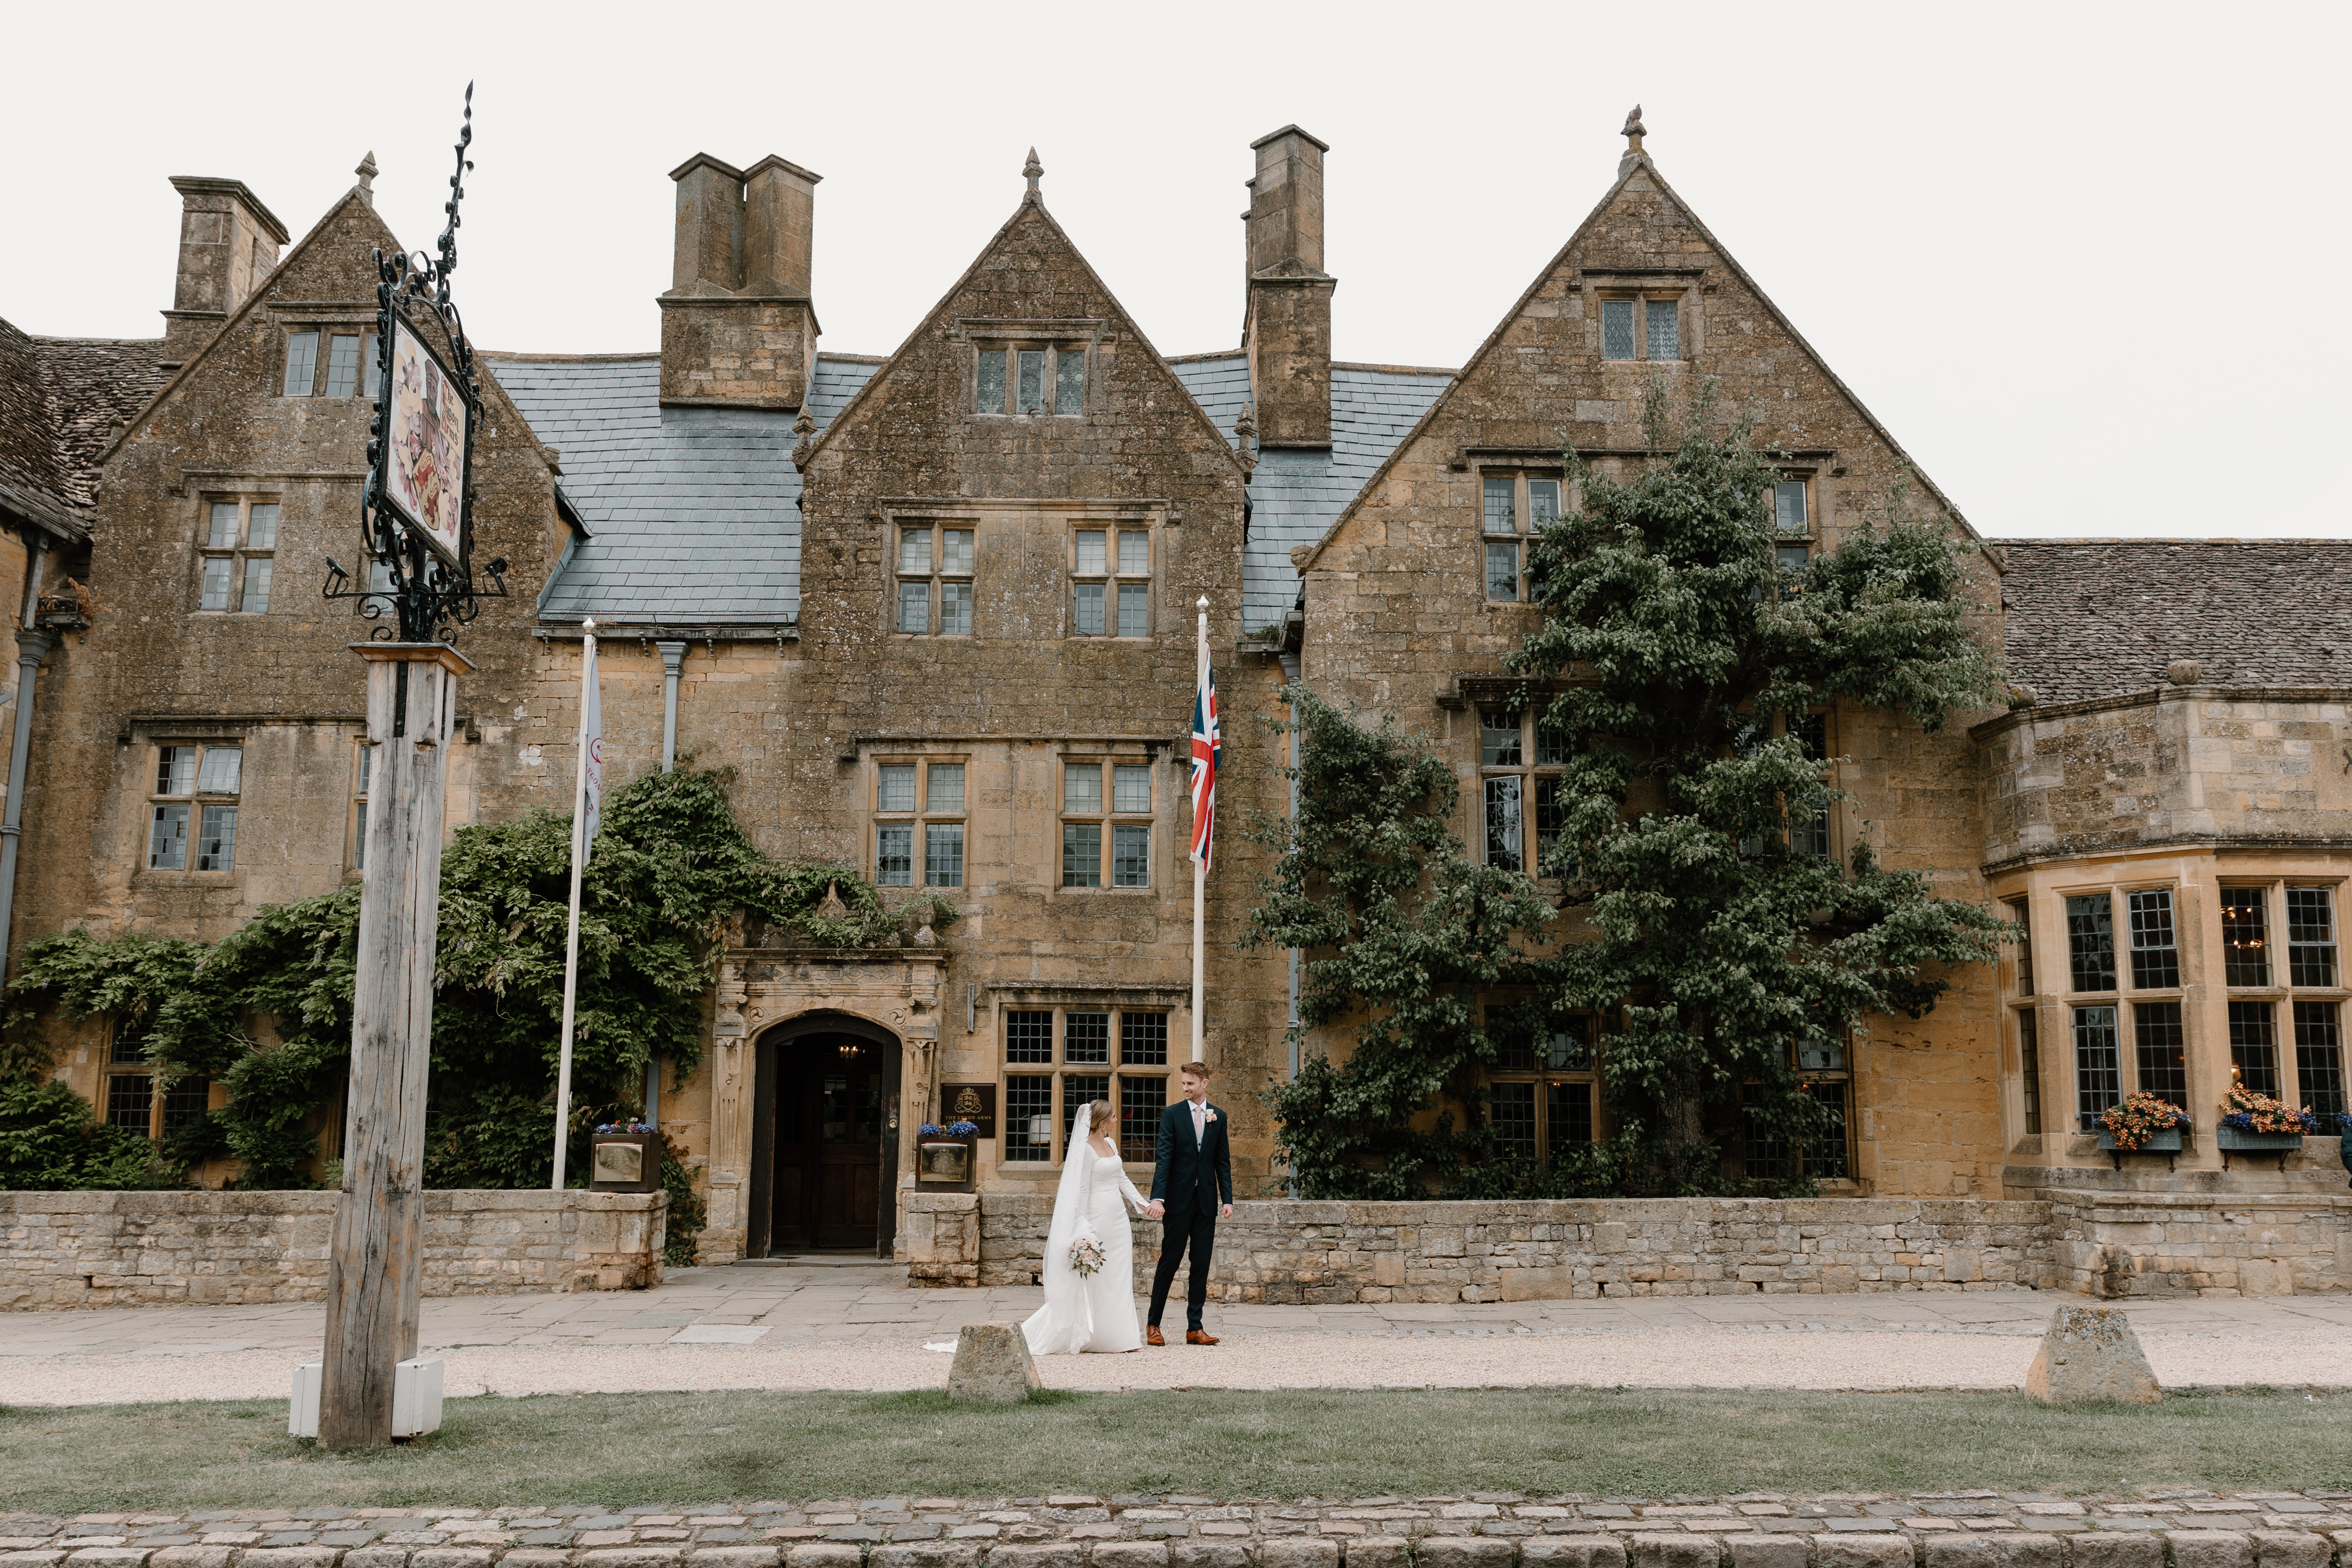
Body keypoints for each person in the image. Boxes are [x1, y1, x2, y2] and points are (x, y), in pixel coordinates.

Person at [1020, 1099, 1149, 1354]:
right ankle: (1094, 1335)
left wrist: (1142, 1204)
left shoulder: (1110, 1143)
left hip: (1119, 1220)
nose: (1116, 1120)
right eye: (1113, 1117)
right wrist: (1083, 1229)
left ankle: (1122, 1337)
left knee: (1119, 1276)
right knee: (1098, 1278)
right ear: (1102, 1122)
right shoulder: (1085, 1150)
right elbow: (1080, 1193)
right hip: (1097, 1218)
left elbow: (1121, 1178)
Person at [1145, 1060, 1233, 1345]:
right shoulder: (1172, 1115)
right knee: (1169, 1262)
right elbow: (1164, 1159)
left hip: (1206, 1202)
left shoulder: (1218, 1117)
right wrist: (1158, 1197)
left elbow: (1223, 1162)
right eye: (1183, 1083)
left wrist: (1227, 1199)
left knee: (1201, 1264)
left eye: (1190, 1084)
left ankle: (1195, 1328)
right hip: (1177, 1201)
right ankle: (1153, 1325)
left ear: (1204, 1084)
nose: (1185, 1088)